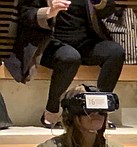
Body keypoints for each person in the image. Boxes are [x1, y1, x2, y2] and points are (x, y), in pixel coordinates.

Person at [9, 0, 124, 129]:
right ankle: (51, 111)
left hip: (85, 43)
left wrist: (99, 3)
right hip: (48, 43)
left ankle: (98, 109)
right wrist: (48, 12)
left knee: (116, 52)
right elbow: (26, 14)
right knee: (70, 57)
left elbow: (108, 10)